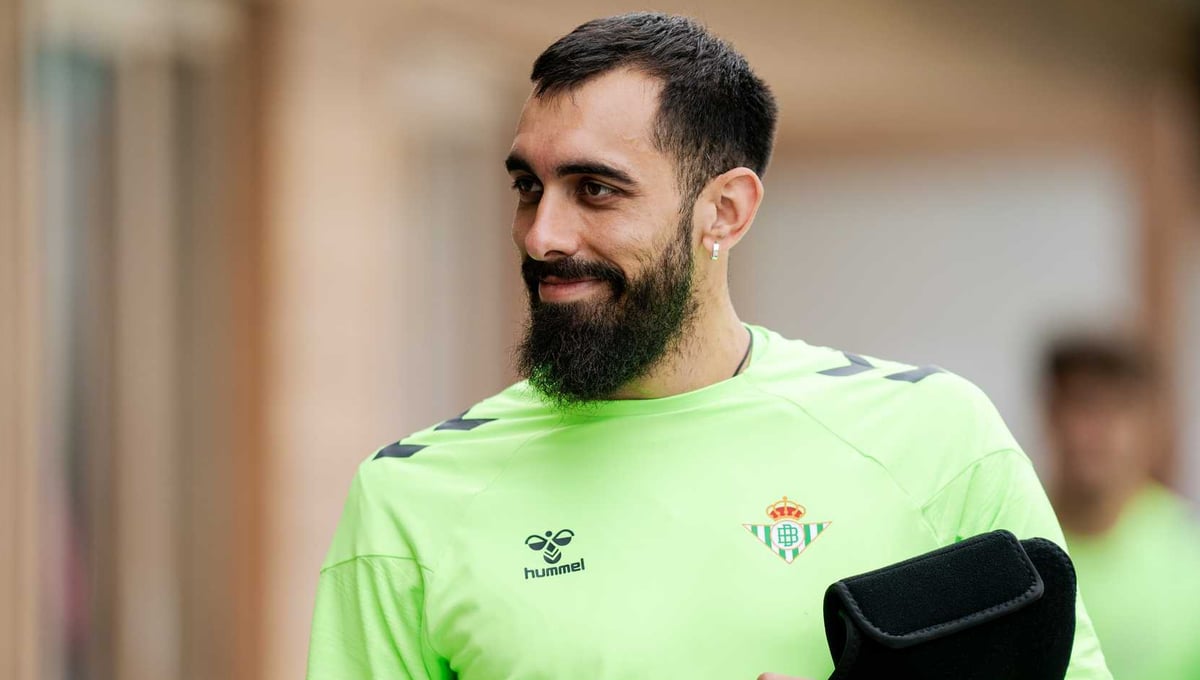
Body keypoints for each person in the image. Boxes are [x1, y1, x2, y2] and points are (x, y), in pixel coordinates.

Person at [306, 13, 1111, 679]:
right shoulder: (409, 498)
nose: (542, 234)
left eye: (595, 189)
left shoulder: (934, 440)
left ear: (725, 210)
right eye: (528, 187)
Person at [1043, 335, 1200, 679]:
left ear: (1150, 425)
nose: (1098, 431)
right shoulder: (1017, 543)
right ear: (1051, 416)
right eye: (1083, 405)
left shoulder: (1190, 552)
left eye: (1118, 408)